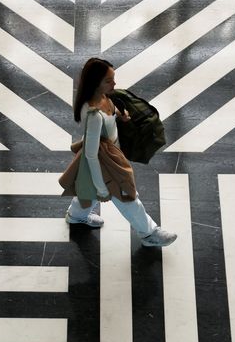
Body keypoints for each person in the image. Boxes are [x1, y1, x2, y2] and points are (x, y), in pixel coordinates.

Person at [64, 58, 177, 247]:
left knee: (88, 189)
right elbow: (92, 155)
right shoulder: (94, 115)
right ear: (95, 83)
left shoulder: (104, 97)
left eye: (113, 78)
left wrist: (120, 116)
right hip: (105, 162)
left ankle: (76, 215)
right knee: (126, 195)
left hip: (111, 153)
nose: (114, 83)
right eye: (108, 80)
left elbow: (111, 115)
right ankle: (149, 233)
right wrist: (102, 187)